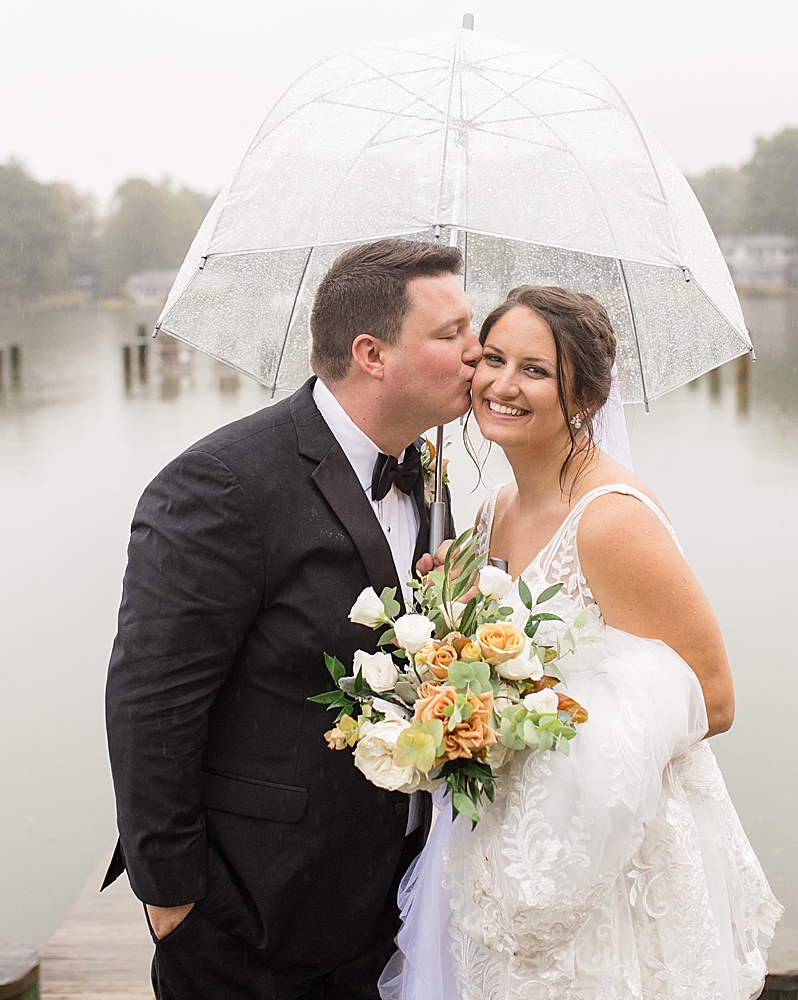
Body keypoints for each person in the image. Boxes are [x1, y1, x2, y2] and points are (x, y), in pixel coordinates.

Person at [104, 238, 481, 1000]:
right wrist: (175, 904)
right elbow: (149, 706)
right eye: (451, 335)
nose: (481, 352)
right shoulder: (224, 485)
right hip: (253, 919)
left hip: (390, 905)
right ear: (372, 354)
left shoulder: (430, 470)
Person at [383, 286, 782, 1000]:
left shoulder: (611, 521)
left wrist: (523, 703)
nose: (502, 385)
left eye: (535, 370)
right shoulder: (493, 508)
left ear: (586, 397)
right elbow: (496, 653)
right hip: (501, 849)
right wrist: (455, 620)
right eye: (494, 359)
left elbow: (714, 700)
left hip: (599, 860)